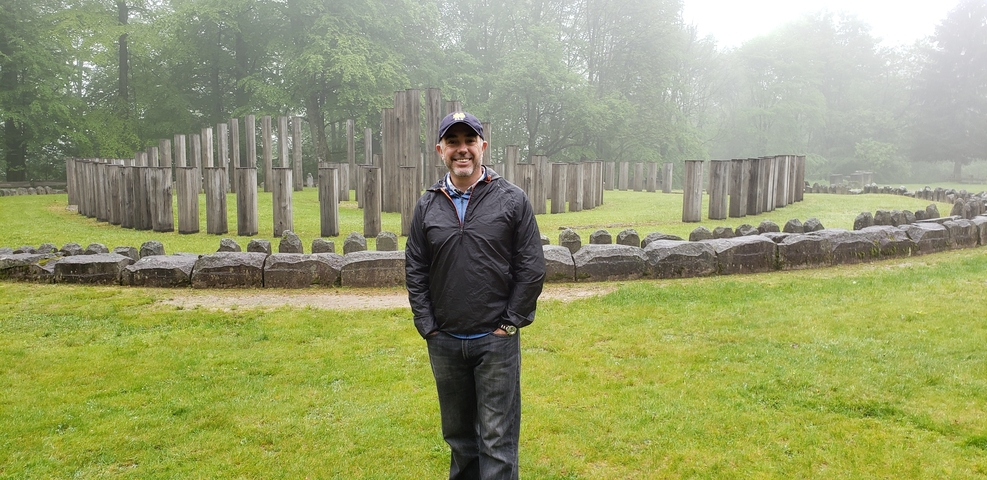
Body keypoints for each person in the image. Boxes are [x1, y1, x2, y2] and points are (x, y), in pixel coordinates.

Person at [405, 111, 546, 479]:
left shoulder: (512, 200)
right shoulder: (427, 204)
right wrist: (428, 326)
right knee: (459, 438)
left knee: (497, 440)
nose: (462, 150)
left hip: (495, 341)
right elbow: (415, 268)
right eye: (453, 142)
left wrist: (509, 323)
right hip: (445, 341)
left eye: (469, 141)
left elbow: (531, 267)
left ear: (483, 146)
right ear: (441, 150)